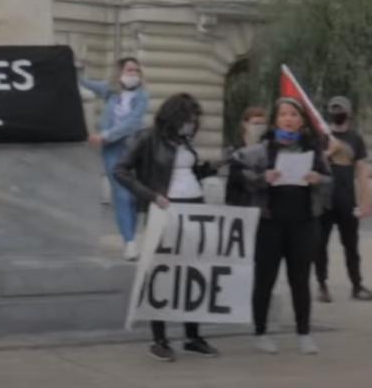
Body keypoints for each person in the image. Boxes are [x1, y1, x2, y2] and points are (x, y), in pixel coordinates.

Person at [114, 93, 219, 361]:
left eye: (195, 120)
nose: (192, 124)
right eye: (188, 119)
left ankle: (192, 336)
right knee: (162, 274)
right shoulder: (147, 138)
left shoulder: (185, 142)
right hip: (165, 210)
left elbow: (186, 172)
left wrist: (209, 169)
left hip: (194, 207)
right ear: (174, 117)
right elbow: (121, 171)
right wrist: (151, 196)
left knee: (193, 272)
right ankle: (159, 339)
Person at [232, 98, 330, 356]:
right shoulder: (262, 150)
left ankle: (303, 333)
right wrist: (262, 178)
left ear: (301, 121)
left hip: (304, 222)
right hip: (269, 222)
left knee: (300, 279)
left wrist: (318, 178)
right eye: (283, 115)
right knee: (265, 278)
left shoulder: (312, 149)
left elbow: (330, 180)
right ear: (275, 120)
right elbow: (239, 174)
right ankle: (261, 332)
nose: (288, 119)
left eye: (294, 115)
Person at [81, 58, 150, 260]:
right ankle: (129, 241)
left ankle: (131, 236)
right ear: (119, 72)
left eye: (136, 70)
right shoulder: (110, 90)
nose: (133, 74)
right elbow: (84, 83)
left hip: (134, 149)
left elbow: (132, 122)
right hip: (113, 150)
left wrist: (104, 135)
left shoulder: (142, 96)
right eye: (129, 70)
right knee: (122, 195)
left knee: (134, 195)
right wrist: (76, 67)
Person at [315, 96, 372, 302]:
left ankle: (357, 285)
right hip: (324, 200)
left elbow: (362, 171)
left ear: (348, 113)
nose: (336, 112)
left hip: (346, 199)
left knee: (351, 244)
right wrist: (329, 151)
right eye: (333, 109)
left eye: (340, 109)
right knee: (320, 244)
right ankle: (322, 285)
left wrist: (366, 201)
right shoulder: (322, 137)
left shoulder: (356, 139)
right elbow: (314, 164)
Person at [224, 106, 267, 206]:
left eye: (263, 124)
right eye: (256, 124)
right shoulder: (235, 151)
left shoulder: (268, 150)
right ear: (245, 124)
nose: (259, 128)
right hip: (239, 203)